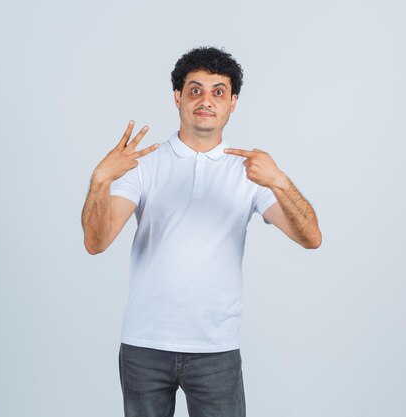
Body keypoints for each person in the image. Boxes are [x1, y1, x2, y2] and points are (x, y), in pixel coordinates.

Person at [81, 46, 321, 417]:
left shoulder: (251, 171)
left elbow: (311, 238)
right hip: (145, 345)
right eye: (195, 90)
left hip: (215, 349)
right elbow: (96, 243)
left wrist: (280, 182)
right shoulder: (143, 164)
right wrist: (100, 180)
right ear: (177, 97)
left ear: (233, 102)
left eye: (218, 91)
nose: (205, 100)